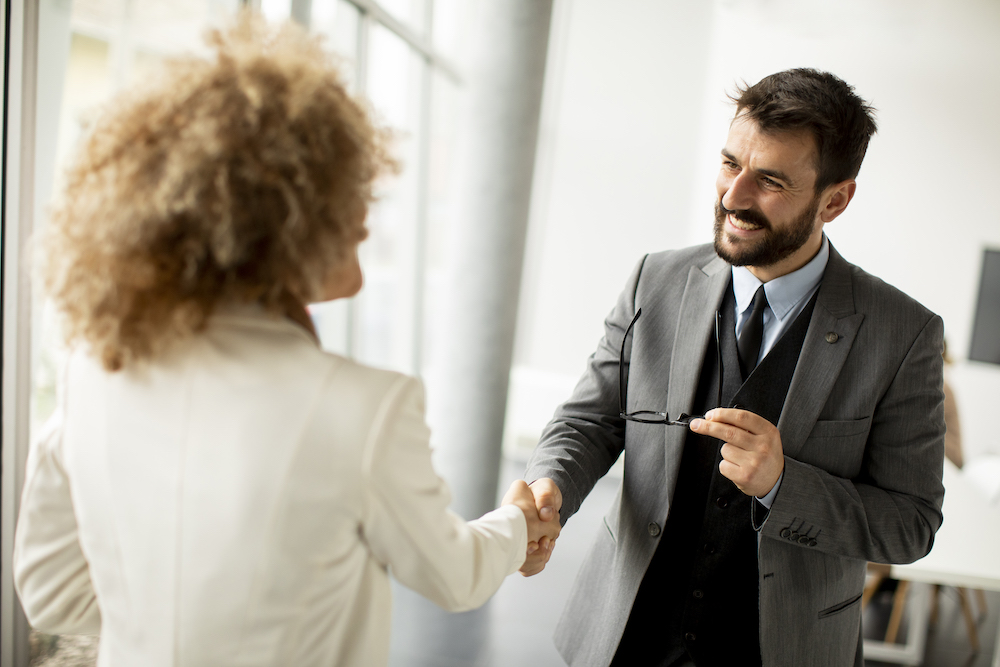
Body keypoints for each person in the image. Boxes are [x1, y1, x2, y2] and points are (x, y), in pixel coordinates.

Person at [12, 13, 557, 667]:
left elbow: (49, 590)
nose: (366, 209)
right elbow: (456, 574)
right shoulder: (364, 408)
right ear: (279, 217)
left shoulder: (95, 367)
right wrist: (519, 524)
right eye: (346, 188)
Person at [520, 69, 945, 667]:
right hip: (624, 635)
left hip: (782, 649)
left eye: (769, 180)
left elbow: (912, 523)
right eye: (729, 164)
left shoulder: (905, 335)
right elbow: (590, 421)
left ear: (836, 199)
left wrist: (782, 485)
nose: (732, 196)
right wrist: (551, 487)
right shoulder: (654, 279)